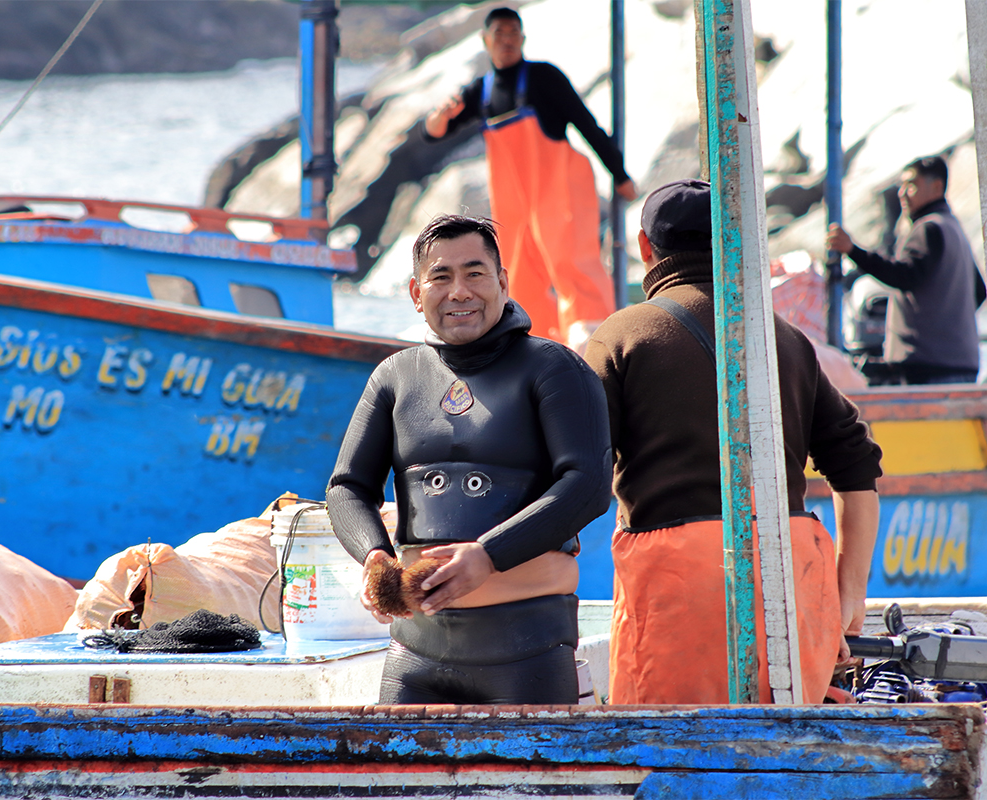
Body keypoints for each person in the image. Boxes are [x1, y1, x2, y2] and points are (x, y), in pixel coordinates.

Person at [584, 180, 883, 704]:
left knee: (671, 756)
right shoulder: (783, 337)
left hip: (676, 588)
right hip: (790, 580)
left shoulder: (620, 335)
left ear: (644, 248)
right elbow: (856, 464)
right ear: (733, 244)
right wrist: (848, 592)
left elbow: (576, 469)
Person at [326, 213, 612, 704]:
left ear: (502, 281)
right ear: (416, 294)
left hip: (528, 651)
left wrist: (488, 556)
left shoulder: (553, 368)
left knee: (526, 785)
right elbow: (347, 487)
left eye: (475, 273)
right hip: (415, 654)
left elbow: (586, 483)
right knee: (404, 784)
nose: (459, 291)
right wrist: (375, 558)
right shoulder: (395, 376)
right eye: (441, 277)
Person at [423, 6, 637, 346]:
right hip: (515, 202)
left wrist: (620, 175)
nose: (507, 41)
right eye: (499, 35)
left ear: (522, 39)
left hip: (560, 188)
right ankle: (535, 341)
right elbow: (435, 132)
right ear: (485, 40)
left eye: (513, 35)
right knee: (517, 269)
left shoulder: (544, 77)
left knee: (572, 262)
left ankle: (595, 339)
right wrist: (437, 118)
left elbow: (586, 124)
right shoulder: (482, 91)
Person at [826, 155, 985, 384]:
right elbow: (979, 291)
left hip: (929, 368)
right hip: (962, 364)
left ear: (937, 186)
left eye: (911, 185)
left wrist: (852, 250)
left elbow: (903, 275)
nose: (902, 193)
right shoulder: (952, 228)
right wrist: (948, 326)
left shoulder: (927, 229)